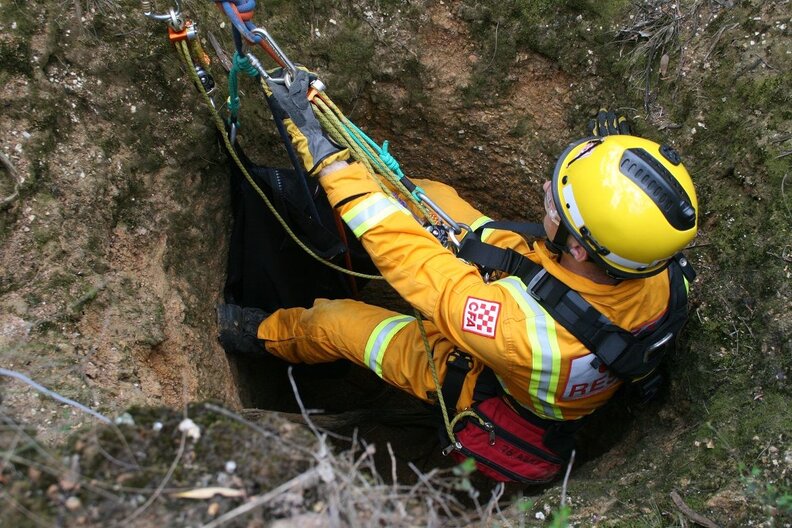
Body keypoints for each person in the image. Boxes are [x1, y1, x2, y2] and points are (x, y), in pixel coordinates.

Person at [218, 70, 698, 483]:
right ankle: (364, 191)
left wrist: (327, 161)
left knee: (334, 323)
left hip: (482, 380)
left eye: (556, 201)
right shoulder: (661, 272)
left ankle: (255, 334)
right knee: (431, 195)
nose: (545, 193)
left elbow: (416, 265)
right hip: (557, 321)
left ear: (577, 246)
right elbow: (551, 275)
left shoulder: (521, 333)